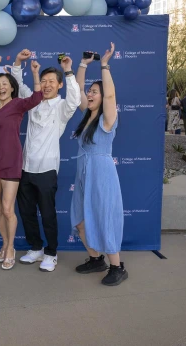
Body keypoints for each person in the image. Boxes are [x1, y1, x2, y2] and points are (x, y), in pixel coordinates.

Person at [12, 50, 81, 272]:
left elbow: (75, 99)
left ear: (59, 85)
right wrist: (19, 64)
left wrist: (68, 70)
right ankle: (36, 248)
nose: (47, 84)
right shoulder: (33, 102)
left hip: (47, 169)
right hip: (25, 168)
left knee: (48, 214)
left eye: (52, 81)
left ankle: (51, 253)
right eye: (44, 81)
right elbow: (19, 86)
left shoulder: (62, 108)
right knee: (26, 212)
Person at [71, 42, 128, 286]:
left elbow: (111, 94)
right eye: (90, 91)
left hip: (102, 173)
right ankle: (96, 260)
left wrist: (104, 65)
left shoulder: (107, 119)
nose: (91, 94)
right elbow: (77, 91)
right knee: (81, 220)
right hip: (83, 173)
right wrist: (83, 64)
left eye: (96, 91)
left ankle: (117, 266)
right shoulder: (87, 116)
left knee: (104, 218)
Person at [0, 55, 43, 270]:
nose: (1, 87)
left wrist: (35, 73)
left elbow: (37, 97)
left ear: (12, 87)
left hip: (11, 162)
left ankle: (9, 249)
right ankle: (7, 243)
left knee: (8, 210)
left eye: (5, 84)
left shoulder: (18, 104)